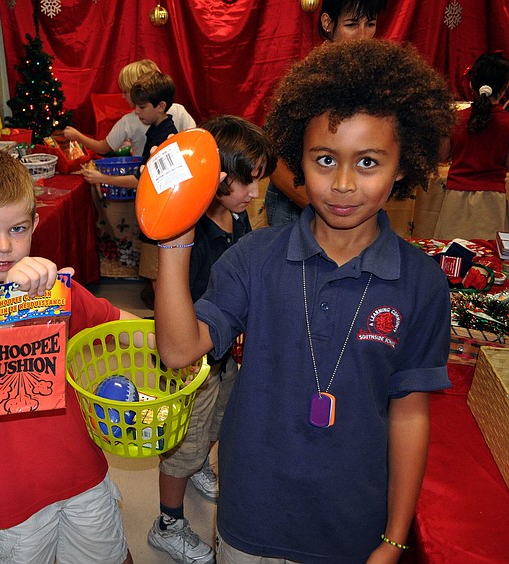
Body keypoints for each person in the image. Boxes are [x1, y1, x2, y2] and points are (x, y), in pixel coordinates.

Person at [154, 40, 455, 562]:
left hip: (351, 522)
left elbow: (410, 414)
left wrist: (395, 536)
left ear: (403, 165)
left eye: (367, 162)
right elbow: (181, 352)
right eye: (323, 160)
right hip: (252, 514)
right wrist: (175, 239)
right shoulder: (254, 257)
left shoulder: (421, 282)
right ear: (298, 160)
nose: (342, 184)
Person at [0, 148, 138, 564]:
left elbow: (121, 323)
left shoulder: (55, 287)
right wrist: (8, 302)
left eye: (16, 228)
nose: (4, 246)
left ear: (35, 224)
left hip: (82, 472)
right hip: (14, 497)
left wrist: (176, 343)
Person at [147, 116, 276, 564]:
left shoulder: (236, 219)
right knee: (181, 449)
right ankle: (167, 522)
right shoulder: (192, 232)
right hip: (193, 369)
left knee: (213, 430)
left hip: (221, 361)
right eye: (247, 182)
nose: (255, 194)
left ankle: (203, 461)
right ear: (216, 178)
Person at [265, 0, 388, 227]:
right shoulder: (306, 81)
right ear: (328, 23)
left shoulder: (377, 82)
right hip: (298, 205)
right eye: (351, 25)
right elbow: (273, 159)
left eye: (370, 24)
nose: (363, 36)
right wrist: (317, 204)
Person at [82, 70, 179, 307]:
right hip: (157, 216)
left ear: (161, 106)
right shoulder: (157, 129)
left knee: (158, 276)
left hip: (160, 218)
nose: (137, 111)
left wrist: (101, 178)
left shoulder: (165, 135)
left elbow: (142, 180)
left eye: (142, 106)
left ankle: (165, 317)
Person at [434, 52, 509, 240]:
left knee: (451, 257)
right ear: (506, 86)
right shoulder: (507, 122)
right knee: (490, 260)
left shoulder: (455, 119)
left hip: (456, 199)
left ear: (471, 85)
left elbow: (442, 155)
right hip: (492, 201)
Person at [63, 59, 196, 157]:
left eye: (125, 92)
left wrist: (77, 136)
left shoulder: (128, 121)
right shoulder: (179, 110)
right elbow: (194, 139)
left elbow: (102, 148)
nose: (122, 96)